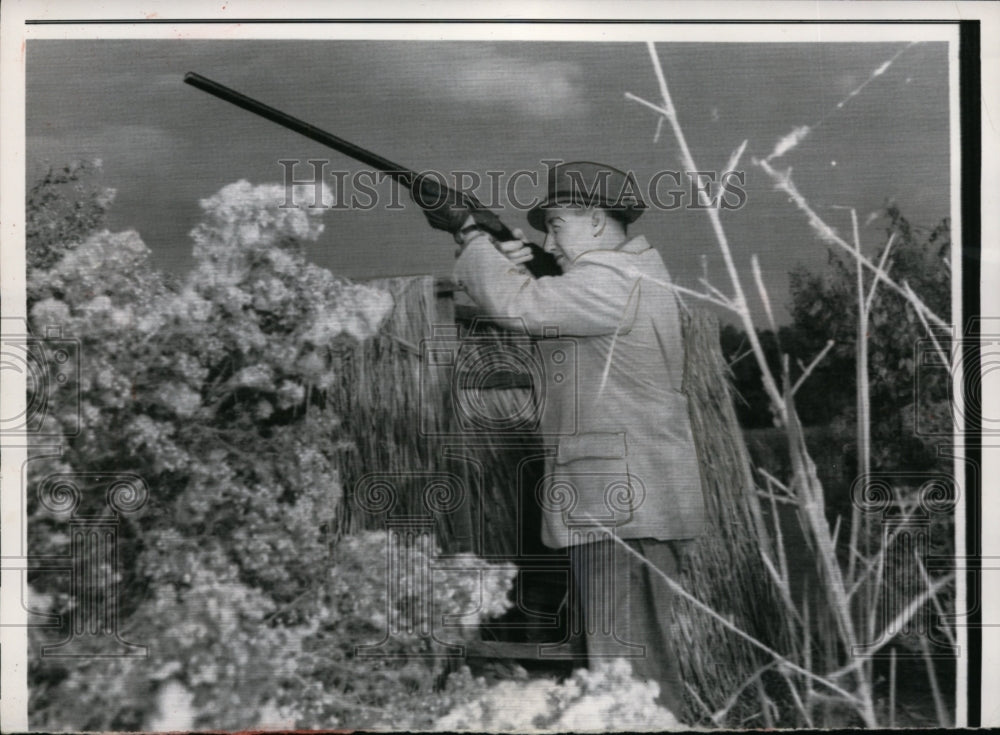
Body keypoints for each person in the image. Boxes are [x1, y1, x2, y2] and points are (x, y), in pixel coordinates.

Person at [452, 161, 707, 721]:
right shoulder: (632, 276)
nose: (549, 240)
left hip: (621, 506)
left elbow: (518, 307)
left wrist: (471, 239)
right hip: (627, 502)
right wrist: (527, 266)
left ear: (594, 221)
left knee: (626, 671)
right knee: (629, 667)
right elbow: (547, 309)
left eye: (557, 225)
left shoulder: (611, 278)